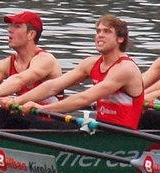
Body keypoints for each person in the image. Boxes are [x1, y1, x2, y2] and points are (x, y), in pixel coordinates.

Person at [18, 14, 146, 128]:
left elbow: (84, 98)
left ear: (120, 39)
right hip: (102, 128)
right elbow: (53, 86)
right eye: (98, 31)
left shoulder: (124, 68)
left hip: (121, 134)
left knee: (38, 122)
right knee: (21, 118)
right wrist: (17, 101)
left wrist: (43, 109)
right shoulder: (91, 63)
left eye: (106, 31)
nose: (100, 35)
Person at [0, 10, 63, 115]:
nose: (9, 30)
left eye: (16, 27)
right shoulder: (6, 63)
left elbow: (19, 81)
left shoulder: (45, 59)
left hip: (50, 121)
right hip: (25, 119)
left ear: (31, 34)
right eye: (10, 26)